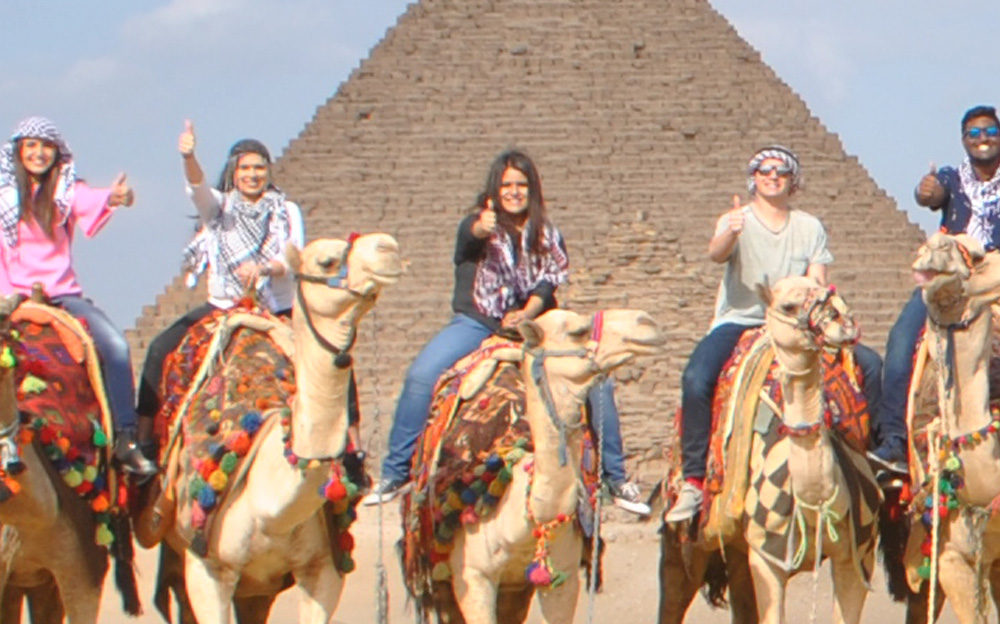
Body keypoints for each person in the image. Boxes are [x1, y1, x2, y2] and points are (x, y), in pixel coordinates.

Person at [363, 149, 650, 515]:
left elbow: (547, 284)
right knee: (421, 375)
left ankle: (615, 478)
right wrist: (481, 228)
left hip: (537, 326)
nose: (514, 192)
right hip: (479, 321)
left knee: (598, 381)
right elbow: (466, 243)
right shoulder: (477, 225)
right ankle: (395, 472)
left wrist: (526, 314)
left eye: (521, 185)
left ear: (533, 189)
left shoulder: (548, 234)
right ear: (494, 190)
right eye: (506, 185)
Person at [667, 145, 883, 522]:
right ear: (753, 178)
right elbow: (716, 253)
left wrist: (833, 315)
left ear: (792, 181)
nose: (772, 176)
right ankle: (694, 480)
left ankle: (878, 462)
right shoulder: (736, 219)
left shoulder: (809, 227)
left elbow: (818, 281)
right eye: (764, 170)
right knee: (696, 379)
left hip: (798, 324)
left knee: (870, 366)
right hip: (741, 320)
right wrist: (731, 233)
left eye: (781, 171)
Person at [136, 121, 309, 449]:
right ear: (233, 171)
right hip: (223, 307)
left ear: (268, 171)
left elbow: (293, 258)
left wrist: (264, 268)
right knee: (159, 349)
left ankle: (350, 448)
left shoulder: (286, 211)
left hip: (275, 308)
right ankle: (142, 443)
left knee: (330, 361)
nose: (252, 174)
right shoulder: (218, 208)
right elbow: (197, 187)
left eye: (259, 167)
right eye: (245, 168)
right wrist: (189, 157)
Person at [0, 116, 155, 476]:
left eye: (46, 146)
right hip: (11, 298)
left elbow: (93, 199)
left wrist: (116, 198)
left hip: (61, 296)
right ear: (19, 151)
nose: (39, 153)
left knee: (116, 347)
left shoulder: (64, 192)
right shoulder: (4, 198)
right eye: (31, 145)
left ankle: (126, 438)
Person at [871, 105, 1000, 477]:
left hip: (995, 278)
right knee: (901, 342)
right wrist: (925, 191)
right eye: (974, 133)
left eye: (990, 131)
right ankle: (894, 442)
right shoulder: (951, 178)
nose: (982, 138)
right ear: (963, 140)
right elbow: (930, 194)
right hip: (952, 279)